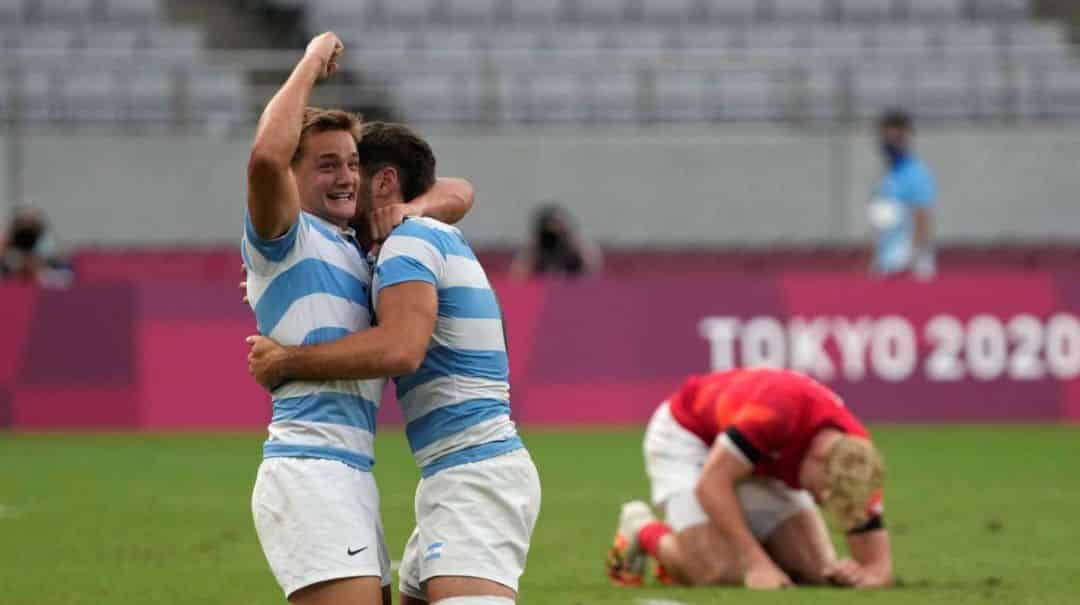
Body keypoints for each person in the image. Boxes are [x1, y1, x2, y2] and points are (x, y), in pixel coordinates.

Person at [246, 121, 541, 605]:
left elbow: (401, 350)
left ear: (383, 182)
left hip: (474, 473)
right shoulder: (427, 231)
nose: (344, 180)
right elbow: (460, 190)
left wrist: (286, 361)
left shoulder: (408, 244)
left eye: (355, 168)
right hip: (463, 470)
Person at [243, 33, 475, 605]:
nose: (346, 176)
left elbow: (459, 191)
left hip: (349, 472)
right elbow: (266, 157)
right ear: (294, 179)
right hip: (309, 468)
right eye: (326, 165)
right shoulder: (286, 237)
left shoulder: (358, 241)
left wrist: (410, 209)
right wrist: (309, 64)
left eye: (352, 163)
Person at [606, 368, 892, 591]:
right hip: (689, 437)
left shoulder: (855, 461)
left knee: (818, 571)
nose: (822, 501)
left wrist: (866, 574)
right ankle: (642, 529)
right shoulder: (776, 413)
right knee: (721, 572)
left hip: (757, 455)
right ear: (817, 458)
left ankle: (708, 541)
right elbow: (713, 483)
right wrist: (756, 563)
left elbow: (878, 566)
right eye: (823, 493)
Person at [868, 109, 937, 280]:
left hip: (906, 265)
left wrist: (910, 259)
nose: (890, 143)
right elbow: (882, 223)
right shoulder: (887, 177)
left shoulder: (916, 174)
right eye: (887, 137)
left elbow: (922, 217)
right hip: (886, 261)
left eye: (897, 138)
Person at [509, 202, 601, 279]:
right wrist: (532, 252)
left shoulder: (575, 254)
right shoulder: (535, 254)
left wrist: (573, 244)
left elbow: (594, 276)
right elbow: (517, 279)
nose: (553, 240)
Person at [0, 206, 72, 287]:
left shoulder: (45, 239)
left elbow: (54, 255)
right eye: (23, 220)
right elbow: (6, 255)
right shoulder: (12, 241)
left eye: (29, 220)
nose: (26, 223)